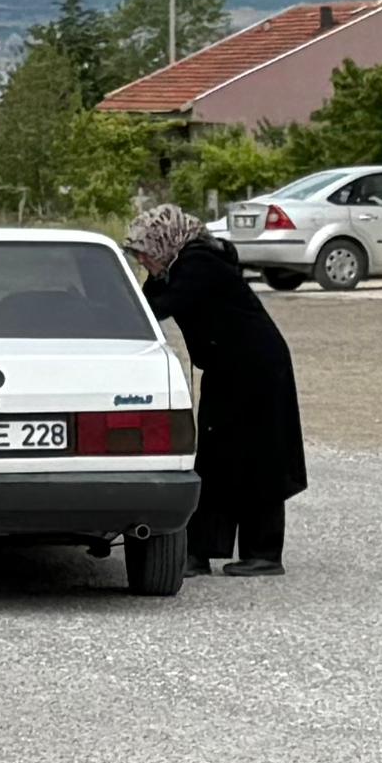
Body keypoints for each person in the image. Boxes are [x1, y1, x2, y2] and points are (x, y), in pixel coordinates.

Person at [130, 199, 308, 575]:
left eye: (146, 254)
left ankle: (263, 553)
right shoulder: (184, 262)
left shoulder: (199, 263)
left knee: (259, 456)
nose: (144, 262)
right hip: (227, 368)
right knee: (215, 457)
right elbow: (152, 301)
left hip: (256, 370)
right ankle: (200, 551)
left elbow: (159, 306)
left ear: (165, 241)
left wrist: (151, 281)